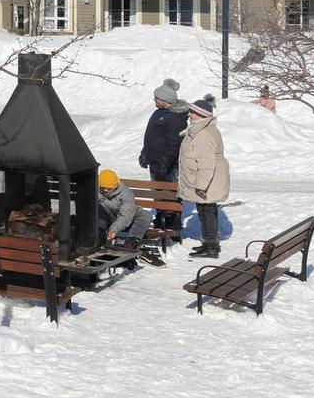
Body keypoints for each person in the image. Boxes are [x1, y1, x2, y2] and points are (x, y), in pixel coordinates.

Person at [179, 95, 231, 259]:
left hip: (207, 182)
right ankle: (209, 243)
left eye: (192, 112)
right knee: (206, 211)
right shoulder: (202, 130)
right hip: (209, 180)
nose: (189, 115)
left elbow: (206, 163)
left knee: (207, 211)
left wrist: (201, 186)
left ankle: (210, 247)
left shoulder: (203, 134)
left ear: (201, 115)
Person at [140, 78, 188, 234]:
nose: (154, 100)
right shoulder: (160, 112)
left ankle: (172, 224)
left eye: (157, 98)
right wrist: (145, 152)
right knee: (159, 194)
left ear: (165, 100)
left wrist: (164, 163)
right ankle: (161, 219)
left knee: (170, 195)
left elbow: (174, 144)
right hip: (155, 162)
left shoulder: (175, 118)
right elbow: (152, 136)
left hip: (168, 165)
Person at [97, 169, 164, 267]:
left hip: (124, 218)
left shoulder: (126, 193)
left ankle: (132, 241)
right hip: (103, 219)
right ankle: (98, 236)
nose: (106, 190)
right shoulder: (93, 189)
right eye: (103, 188)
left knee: (145, 215)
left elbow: (125, 216)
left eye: (109, 188)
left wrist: (114, 230)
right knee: (99, 208)